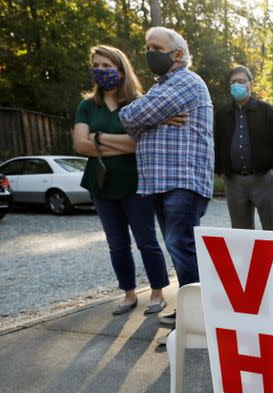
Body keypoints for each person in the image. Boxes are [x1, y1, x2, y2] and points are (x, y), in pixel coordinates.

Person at [119, 27, 214, 328]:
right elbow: (130, 120)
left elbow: (133, 115)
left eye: (156, 47)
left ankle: (199, 314)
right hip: (162, 180)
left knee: (181, 244)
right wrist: (153, 116)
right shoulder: (161, 88)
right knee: (178, 245)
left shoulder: (186, 81)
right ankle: (192, 309)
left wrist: (148, 117)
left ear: (177, 54)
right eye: (147, 46)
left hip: (182, 180)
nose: (149, 52)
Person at [73, 45, 169, 316]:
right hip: (102, 184)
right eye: (97, 66)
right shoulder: (87, 106)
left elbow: (138, 145)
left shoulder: (138, 102)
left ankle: (157, 293)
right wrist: (119, 144)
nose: (101, 71)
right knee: (116, 243)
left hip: (136, 183)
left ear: (121, 68)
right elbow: (80, 145)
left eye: (107, 66)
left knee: (146, 241)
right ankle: (128, 294)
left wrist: (99, 139)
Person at [214, 65, 273, 230]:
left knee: (272, 231)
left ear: (251, 84)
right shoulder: (222, 114)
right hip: (234, 183)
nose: (237, 85)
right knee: (241, 233)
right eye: (233, 82)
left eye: (241, 81)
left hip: (263, 180)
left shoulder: (267, 111)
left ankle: (272, 257)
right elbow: (215, 143)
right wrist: (221, 171)